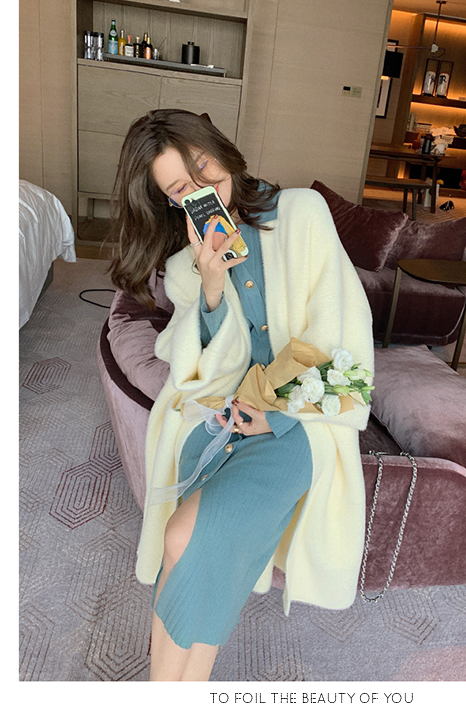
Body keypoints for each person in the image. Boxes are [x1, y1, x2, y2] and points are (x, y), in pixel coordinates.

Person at [108, 109, 374, 681]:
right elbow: (200, 368)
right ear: (169, 203)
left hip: (301, 423)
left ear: (222, 150)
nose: (202, 190)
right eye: (181, 189)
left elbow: (343, 335)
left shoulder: (302, 213)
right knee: (189, 548)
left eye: (204, 167)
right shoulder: (187, 265)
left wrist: (279, 418)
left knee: (184, 535)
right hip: (225, 415)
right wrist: (210, 283)